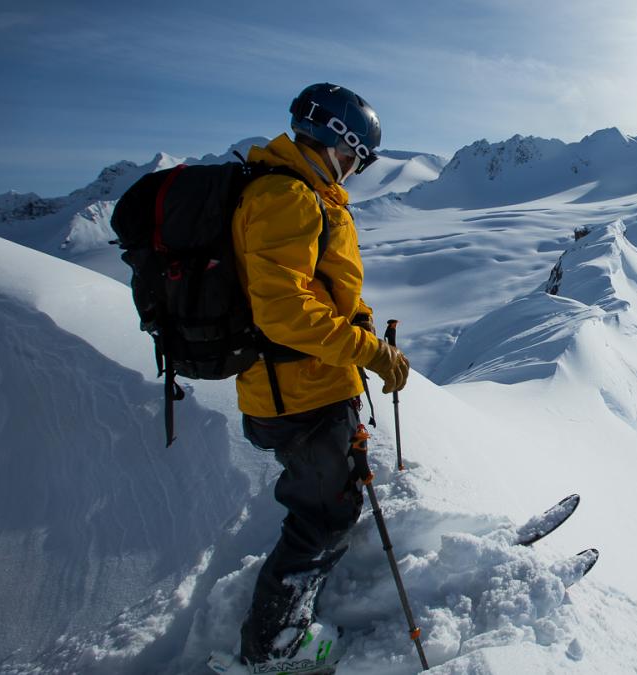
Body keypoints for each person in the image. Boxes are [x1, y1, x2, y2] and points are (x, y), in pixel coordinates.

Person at [231, 82, 410, 667]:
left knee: (330, 504)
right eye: (357, 157)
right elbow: (284, 313)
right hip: (297, 394)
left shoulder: (308, 194)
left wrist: (358, 323)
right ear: (337, 143)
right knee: (322, 516)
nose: (357, 169)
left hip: (309, 386)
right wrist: (367, 350)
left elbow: (318, 288)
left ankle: (285, 629)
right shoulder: (287, 196)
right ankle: (272, 650)